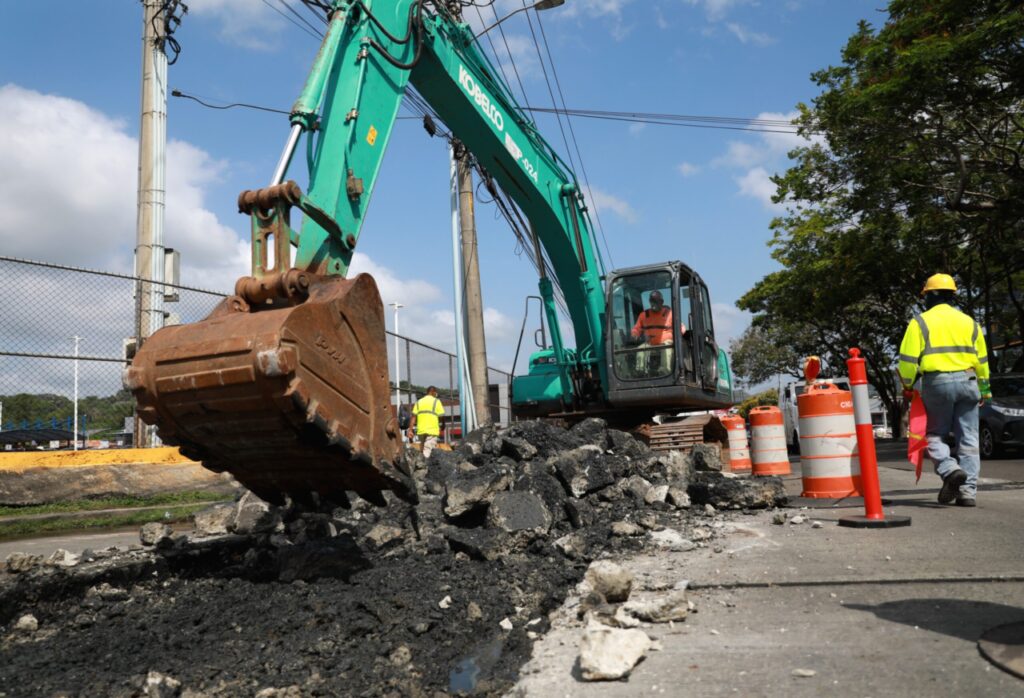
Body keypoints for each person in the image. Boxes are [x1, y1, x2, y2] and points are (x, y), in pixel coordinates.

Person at [898, 273, 991, 507]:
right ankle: (967, 492)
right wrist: (985, 389)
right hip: (970, 381)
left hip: (937, 382)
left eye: (926, 295)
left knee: (933, 435)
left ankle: (950, 470)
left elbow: (907, 360)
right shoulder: (970, 322)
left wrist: (908, 385)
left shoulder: (920, 322)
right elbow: (982, 359)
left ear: (932, 294)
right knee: (969, 438)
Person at [630, 290, 686, 376]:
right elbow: (636, 329)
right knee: (640, 349)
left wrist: (679, 334)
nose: (654, 304)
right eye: (652, 301)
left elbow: (681, 327)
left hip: (667, 342)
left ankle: (665, 372)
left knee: (666, 347)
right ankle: (640, 372)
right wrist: (634, 334)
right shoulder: (644, 315)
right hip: (650, 343)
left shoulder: (670, 314)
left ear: (662, 302)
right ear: (649, 302)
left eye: (656, 301)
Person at [408, 386, 445, 458]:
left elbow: (413, 417)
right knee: (428, 451)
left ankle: (420, 465)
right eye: (435, 393)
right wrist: (443, 425)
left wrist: (410, 430)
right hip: (432, 431)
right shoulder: (436, 401)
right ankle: (425, 466)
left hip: (421, 431)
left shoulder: (418, 402)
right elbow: (442, 416)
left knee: (423, 449)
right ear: (434, 392)